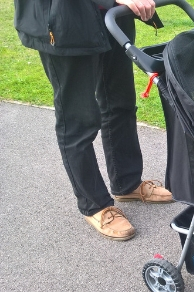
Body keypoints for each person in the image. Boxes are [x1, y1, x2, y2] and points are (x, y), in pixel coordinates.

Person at [13, 0, 173, 241]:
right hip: (65, 21)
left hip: (111, 16)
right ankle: (94, 204)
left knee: (120, 104)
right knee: (78, 120)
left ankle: (126, 183)